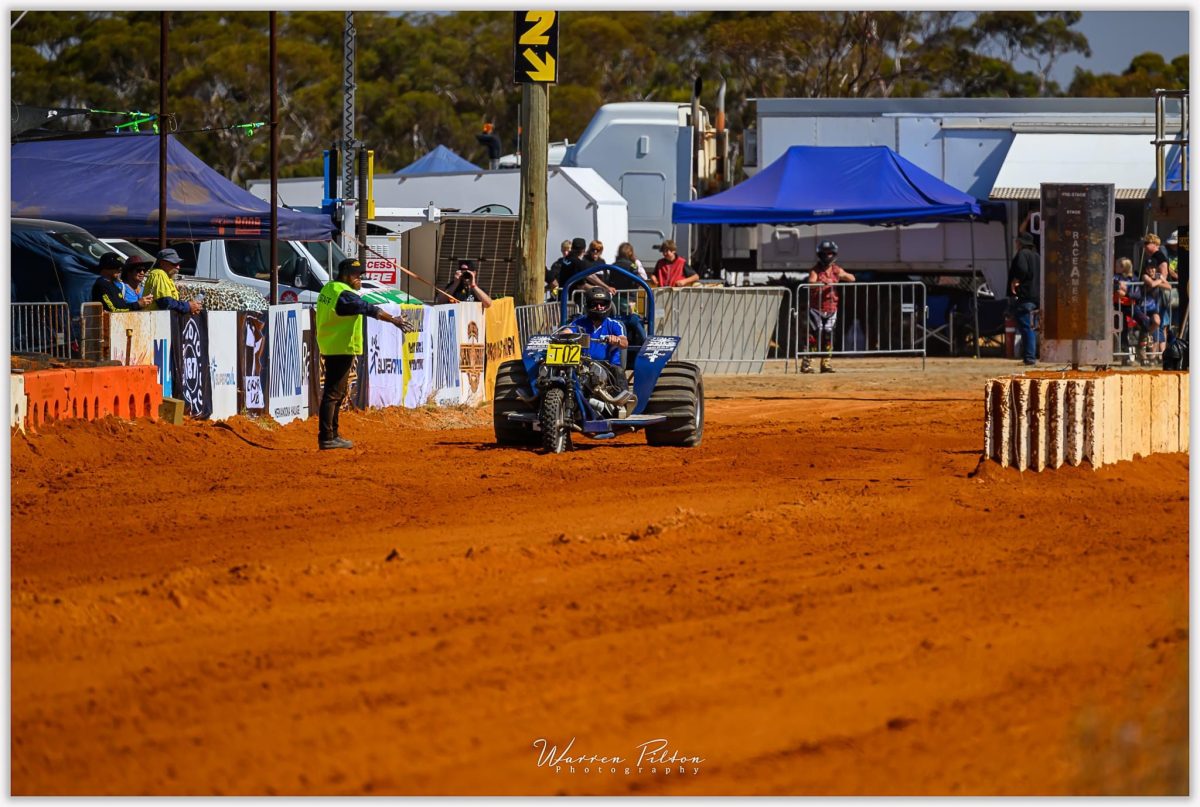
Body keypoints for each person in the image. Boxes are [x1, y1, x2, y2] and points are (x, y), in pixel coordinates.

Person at [316, 258, 413, 450]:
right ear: (345, 275)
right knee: (333, 393)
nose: (359, 278)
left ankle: (332, 434)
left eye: (360, 275)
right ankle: (327, 437)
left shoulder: (330, 288)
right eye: (356, 275)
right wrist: (393, 320)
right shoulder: (343, 293)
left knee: (336, 393)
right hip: (340, 347)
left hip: (333, 345)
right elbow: (367, 308)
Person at [562, 287, 632, 405]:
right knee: (563, 373)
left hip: (608, 367)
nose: (599, 307)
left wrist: (616, 340)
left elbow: (625, 343)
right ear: (588, 305)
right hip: (582, 365)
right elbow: (566, 331)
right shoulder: (579, 322)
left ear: (608, 305)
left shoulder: (614, 324)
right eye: (594, 304)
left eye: (602, 304)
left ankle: (622, 405)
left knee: (618, 371)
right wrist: (564, 335)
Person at [801, 240, 856, 373]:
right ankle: (807, 363)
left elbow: (852, 278)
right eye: (825, 253)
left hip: (831, 309)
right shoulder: (815, 270)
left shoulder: (836, 270)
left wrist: (842, 277)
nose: (827, 256)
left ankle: (826, 363)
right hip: (816, 309)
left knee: (829, 335)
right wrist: (822, 282)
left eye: (830, 253)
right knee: (813, 336)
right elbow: (811, 282)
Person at [1008, 231, 1040, 367]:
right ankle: (1031, 355)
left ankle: (1029, 357)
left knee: (1026, 327)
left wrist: (1016, 280)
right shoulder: (1037, 256)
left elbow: (1022, 269)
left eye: (1017, 241)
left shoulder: (1022, 254)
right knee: (1032, 327)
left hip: (1025, 295)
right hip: (1037, 296)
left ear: (1021, 243)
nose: (1016, 244)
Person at [610, 242, 649, 346]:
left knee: (618, 323)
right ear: (630, 253)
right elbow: (640, 280)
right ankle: (646, 343)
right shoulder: (632, 265)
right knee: (635, 320)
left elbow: (609, 281)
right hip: (630, 301)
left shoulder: (613, 265)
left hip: (615, 300)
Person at [144, 248, 202, 315]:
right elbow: (166, 303)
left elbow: (171, 303)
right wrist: (188, 306)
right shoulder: (159, 274)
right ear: (162, 263)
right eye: (174, 263)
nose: (178, 267)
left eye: (179, 264)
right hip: (155, 319)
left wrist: (191, 307)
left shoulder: (168, 277)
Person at [1142, 233, 1172, 356]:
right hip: (1157, 293)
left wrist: (1158, 281)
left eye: (1146, 243)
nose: (1144, 246)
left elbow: (1164, 272)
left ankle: (1158, 353)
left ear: (1154, 244)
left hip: (1159, 294)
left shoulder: (1158, 255)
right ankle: (1160, 353)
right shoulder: (1156, 255)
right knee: (1160, 323)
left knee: (1160, 323)